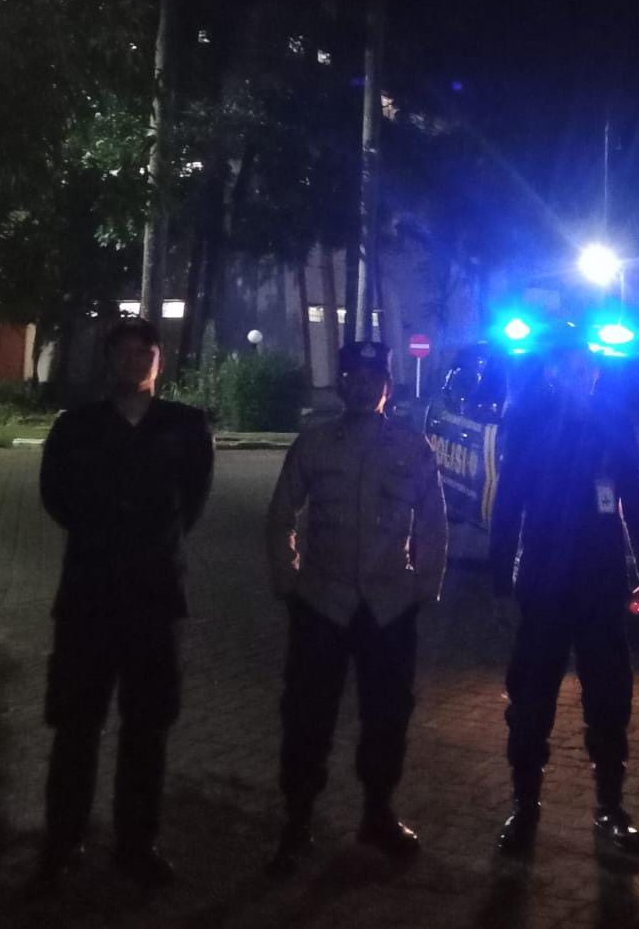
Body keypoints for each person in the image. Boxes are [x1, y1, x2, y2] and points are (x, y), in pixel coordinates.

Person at [32, 316, 214, 893]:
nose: (134, 360)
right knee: (75, 727)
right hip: (87, 598)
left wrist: (147, 543)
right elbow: (55, 497)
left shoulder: (186, 427)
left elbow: (192, 504)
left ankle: (137, 846)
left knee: (147, 728)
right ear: (108, 359)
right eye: (123, 351)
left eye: (145, 351)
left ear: (159, 360)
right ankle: (63, 843)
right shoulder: (76, 427)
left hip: (156, 601)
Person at [265, 340, 448, 875]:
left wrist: (425, 583)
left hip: (388, 606)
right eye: (353, 378)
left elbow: (432, 520)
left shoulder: (412, 446)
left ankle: (378, 813)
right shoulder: (315, 444)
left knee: (387, 715)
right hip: (323, 601)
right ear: (342, 384)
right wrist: (288, 578)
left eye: (373, 379)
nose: (363, 387)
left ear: (387, 386)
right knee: (307, 715)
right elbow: (281, 514)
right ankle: (298, 818)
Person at [489, 338, 639, 863]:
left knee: (610, 697)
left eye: (584, 367)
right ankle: (524, 808)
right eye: (566, 367)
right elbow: (507, 502)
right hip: (544, 580)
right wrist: (498, 581)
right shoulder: (528, 421)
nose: (576, 375)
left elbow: (636, 497)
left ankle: (611, 807)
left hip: (601, 580)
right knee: (530, 699)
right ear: (551, 372)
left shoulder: (614, 421)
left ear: (594, 373)